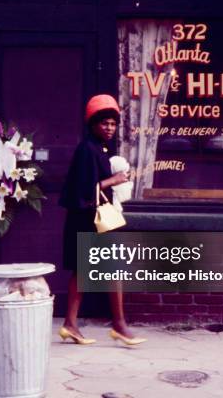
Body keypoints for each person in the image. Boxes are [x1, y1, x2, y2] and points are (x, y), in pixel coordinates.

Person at [58, 95, 146, 346]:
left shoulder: (98, 148)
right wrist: (114, 180)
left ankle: (70, 324)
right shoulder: (87, 149)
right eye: (104, 123)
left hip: (92, 218)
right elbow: (84, 190)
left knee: (83, 271)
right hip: (90, 219)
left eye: (113, 123)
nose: (109, 128)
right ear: (93, 124)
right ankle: (119, 325)